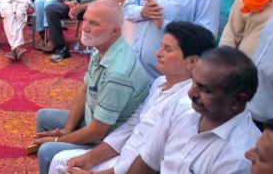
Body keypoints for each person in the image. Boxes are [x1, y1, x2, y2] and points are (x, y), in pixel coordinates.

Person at [56, 22, 216, 174]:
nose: (158, 53)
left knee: (57, 160)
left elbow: (155, 161)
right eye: (161, 46)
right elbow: (132, 124)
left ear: (192, 61)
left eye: (168, 49)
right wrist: (90, 158)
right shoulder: (160, 83)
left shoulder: (187, 105)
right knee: (62, 162)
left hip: (135, 168)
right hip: (123, 157)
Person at [33, 0, 150, 174]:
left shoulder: (118, 74)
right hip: (93, 121)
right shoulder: (101, 47)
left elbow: (97, 132)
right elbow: (84, 89)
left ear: (115, 31)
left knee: (48, 150)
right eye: (85, 20)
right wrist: (66, 129)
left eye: (94, 23)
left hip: (106, 143)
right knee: (44, 117)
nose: (85, 27)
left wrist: (58, 139)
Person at [126, 47, 260, 174]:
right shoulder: (181, 107)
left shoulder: (239, 157)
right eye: (194, 82)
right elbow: (146, 163)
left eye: (205, 90)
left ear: (237, 101)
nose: (191, 92)